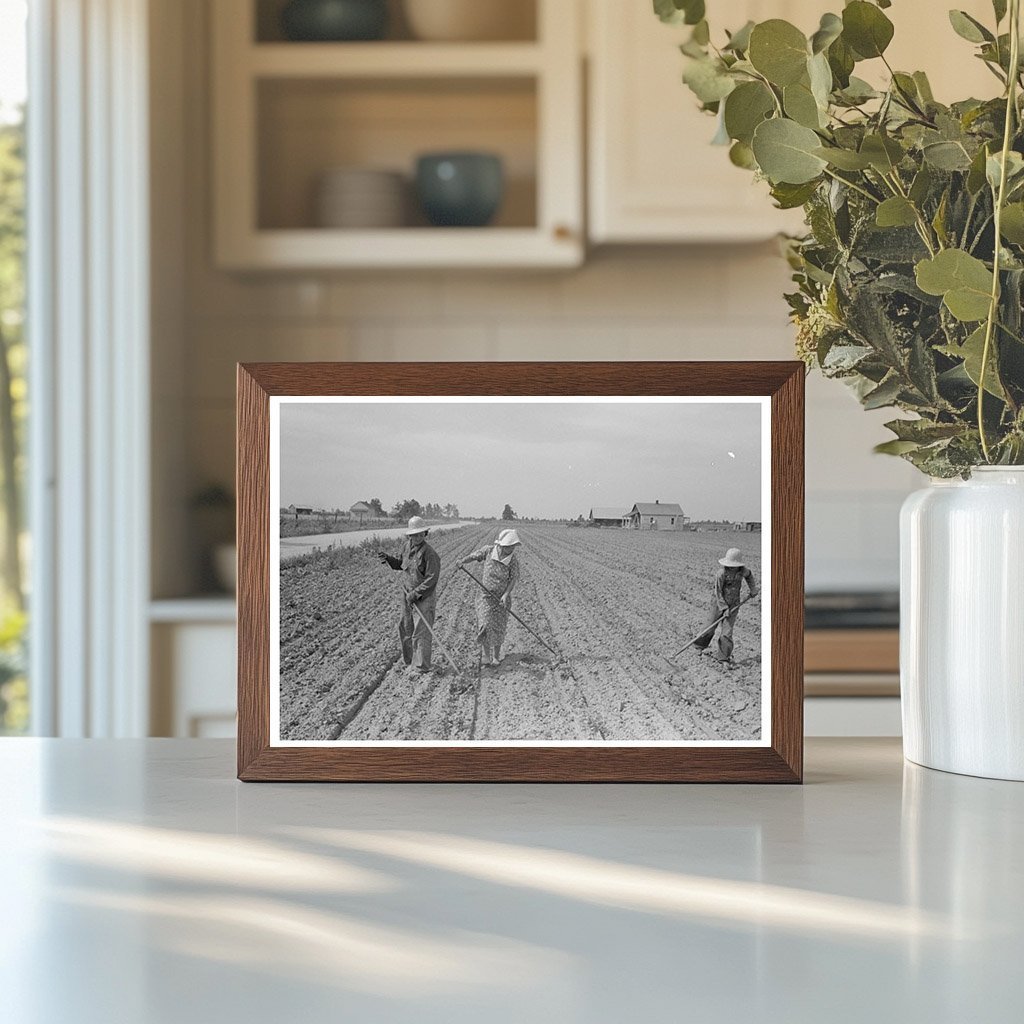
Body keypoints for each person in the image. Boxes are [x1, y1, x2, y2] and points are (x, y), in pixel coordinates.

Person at [377, 516, 441, 673]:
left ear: (425, 534)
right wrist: (389, 560)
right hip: (407, 594)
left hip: (424, 597)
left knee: (421, 631)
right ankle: (410, 661)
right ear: (409, 535)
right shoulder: (406, 546)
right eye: (414, 534)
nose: (417, 537)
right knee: (405, 627)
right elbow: (401, 564)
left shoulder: (430, 554)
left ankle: (422, 666)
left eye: (420, 534)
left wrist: (416, 594)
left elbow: (432, 579)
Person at [458, 528, 522, 667]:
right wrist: (463, 561)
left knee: (498, 627)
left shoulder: (513, 561)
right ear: (500, 544)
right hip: (485, 596)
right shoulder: (488, 551)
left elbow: (512, 579)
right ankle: (486, 656)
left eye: (512, 547)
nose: (510, 549)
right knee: (486, 625)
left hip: (501, 600)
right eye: (507, 546)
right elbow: (475, 556)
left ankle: (496, 657)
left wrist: (506, 595)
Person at [692, 547, 758, 663]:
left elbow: (749, 576)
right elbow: (717, 592)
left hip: (734, 604)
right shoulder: (721, 574)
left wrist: (753, 589)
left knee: (727, 632)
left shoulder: (743, 571)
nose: (732, 567)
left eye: (734, 565)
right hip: (718, 603)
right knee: (710, 627)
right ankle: (699, 647)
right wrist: (724, 608)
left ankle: (723, 657)